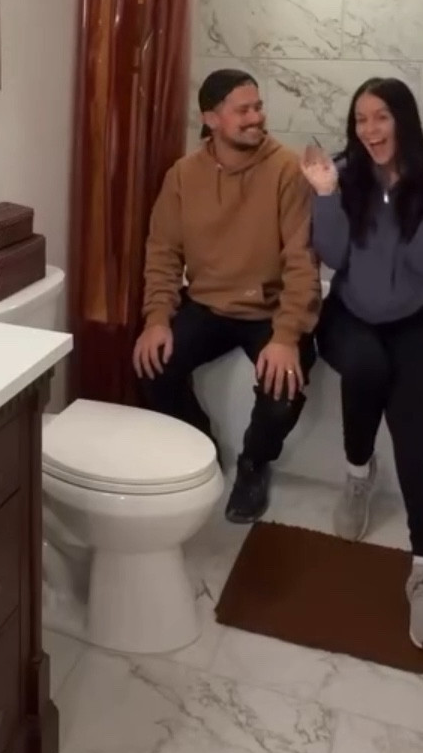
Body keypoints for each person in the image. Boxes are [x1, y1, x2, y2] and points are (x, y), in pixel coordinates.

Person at [301, 77, 423, 652]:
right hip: (351, 315)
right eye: (361, 120)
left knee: (409, 416)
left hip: (415, 321)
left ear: (402, 121)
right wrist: (326, 196)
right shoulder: (338, 175)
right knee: (364, 368)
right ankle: (360, 474)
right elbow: (332, 257)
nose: (370, 131)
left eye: (381, 118)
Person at [133, 67, 319, 524]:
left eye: (258, 106)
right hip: (209, 303)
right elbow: (162, 251)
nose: (257, 117)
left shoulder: (285, 170)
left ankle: (254, 463)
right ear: (212, 119)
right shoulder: (183, 176)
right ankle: (202, 445)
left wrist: (287, 336)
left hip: (270, 310)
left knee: (284, 388)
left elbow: (304, 261)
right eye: (244, 110)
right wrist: (157, 318)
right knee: (151, 367)